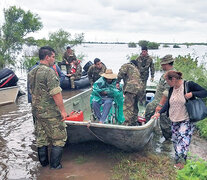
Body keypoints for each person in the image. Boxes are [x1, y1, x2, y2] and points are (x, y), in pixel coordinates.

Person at [152, 71, 207, 169]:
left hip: (186, 118)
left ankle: (181, 162)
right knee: (175, 140)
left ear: (173, 79)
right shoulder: (171, 89)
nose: (167, 83)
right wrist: (158, 113)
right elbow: (168, 104)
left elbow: (204, 92)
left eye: (167, 81)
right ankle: (178, 159)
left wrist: (192, 93)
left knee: (183, 138)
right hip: (174, 119)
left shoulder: (188, 85)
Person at [28, 46, 67, 169]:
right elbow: (56, 93)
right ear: (47, 57)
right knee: (59, 137)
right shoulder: (49, 72)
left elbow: (31, 91)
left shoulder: (31, 72)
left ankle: (43, 166)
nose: (54, 60)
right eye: (53, 57)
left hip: (36, 112)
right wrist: (62, 111)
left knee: (41, 137)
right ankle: (55, 166)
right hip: (49, 112)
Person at [145, 54, 175, 140]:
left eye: (162, 64)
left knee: (165, 122)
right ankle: (150, 130)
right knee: (149, 108)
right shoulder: (167, 73)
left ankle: (169, 139)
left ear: (167, 64)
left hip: (164, 102)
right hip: (159, 100)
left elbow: (167, 92)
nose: (161, 66)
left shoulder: (171, 74)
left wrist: (160, 105)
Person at [116, 60, 143, 126]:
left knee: (127, 107)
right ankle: (133, 122)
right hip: (140, 89)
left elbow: (121, 72)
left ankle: (126, 124)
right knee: (135, 106)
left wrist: (117, 81)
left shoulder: (127, 65)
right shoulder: (136, 70)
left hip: (131, 88)